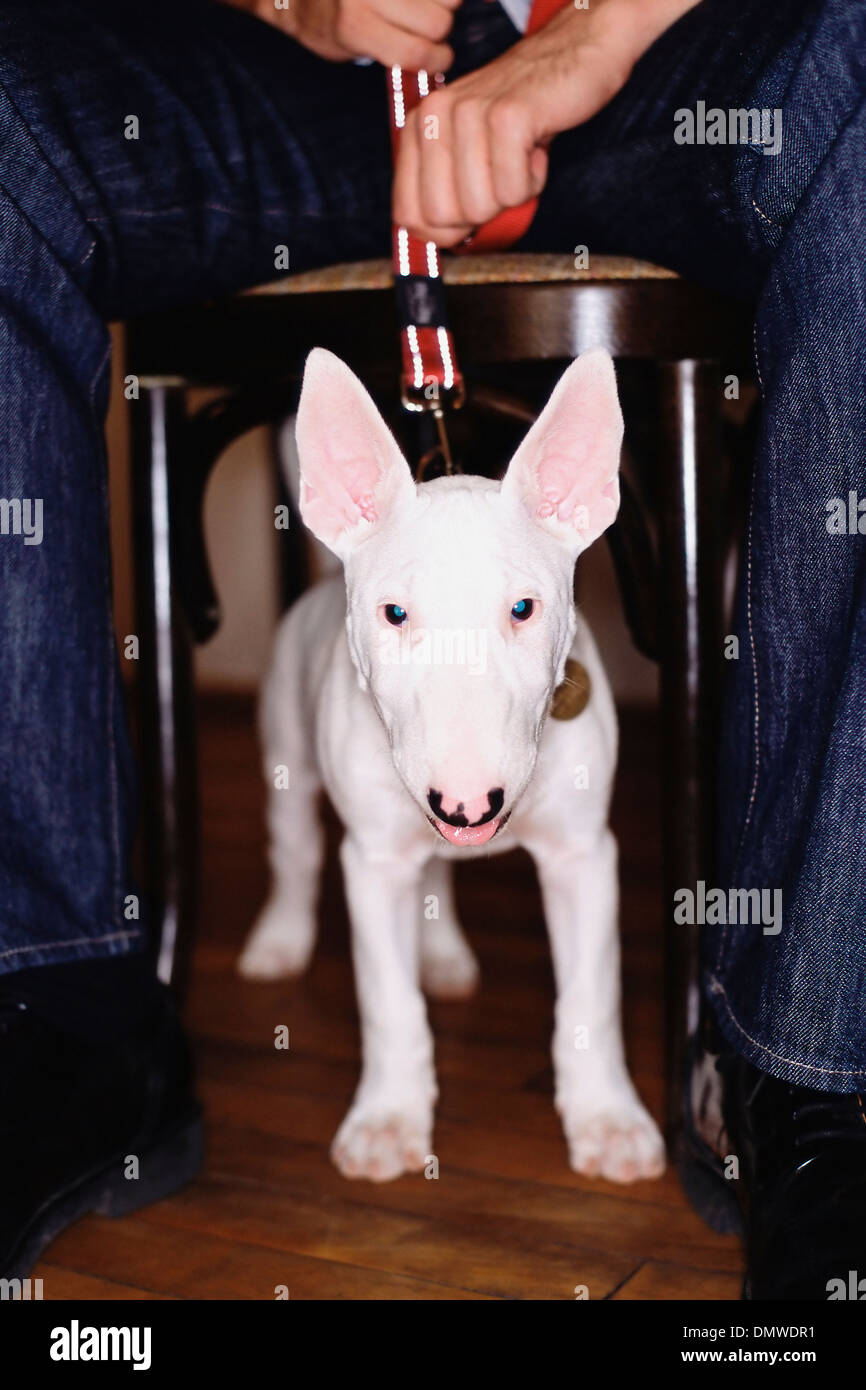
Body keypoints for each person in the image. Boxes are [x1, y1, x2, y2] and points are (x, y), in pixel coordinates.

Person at [1, 0, 863, 1299]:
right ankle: (54, 1009)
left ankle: (813, 1063)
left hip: (657, 68)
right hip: (325, 89)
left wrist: (596, 36)